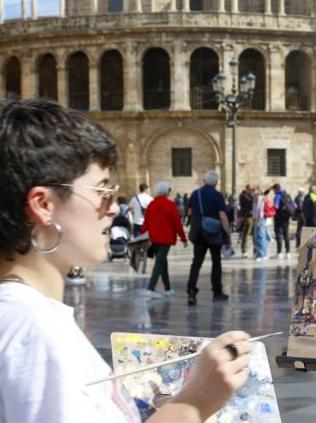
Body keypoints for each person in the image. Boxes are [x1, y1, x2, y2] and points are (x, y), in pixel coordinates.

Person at [0, 99, 251, 423]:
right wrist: (193, 403)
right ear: (43, 204)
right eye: (102, 191)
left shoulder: (20, 315)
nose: (113, 207)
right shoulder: (35, 330)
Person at [186, 171, 231, 305]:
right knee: (216, 262)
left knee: (197, 262)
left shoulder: (195, 194)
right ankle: (217, 292)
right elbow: (222, 215)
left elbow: (190, 212)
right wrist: (227, 233)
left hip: (199, 231)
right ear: (216, 182)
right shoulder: (217, 195)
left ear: (204, 181)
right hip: (213, 232)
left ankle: (191, 291)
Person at [140, 181, 188, 299]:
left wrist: (143, 235)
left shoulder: (151, 205)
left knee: (162, 262)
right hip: (165, 238)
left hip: (153, 238)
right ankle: (150, 288)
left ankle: (168, 289)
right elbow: (177, 223)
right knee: (160, 262)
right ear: (166, 191)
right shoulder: (170, 205)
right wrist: (183, 238)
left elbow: (145, 223)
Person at [272, 183, 293, 259]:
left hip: (278, 218)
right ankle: (288, 253)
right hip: (286, 218)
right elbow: (295, 205)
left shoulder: (277, 196)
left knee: (279, 235)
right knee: (286, 235)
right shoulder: (287, 195)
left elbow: (276, 206)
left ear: (275, 189)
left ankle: (279, 253)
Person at [252, 187, 271, 261]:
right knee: (257, 237)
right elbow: (254, 211)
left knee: (261, 237)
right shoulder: (255, 199)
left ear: (258, 191)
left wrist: (258, 221)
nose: (253, 192)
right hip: (257, 219)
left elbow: (260, 211)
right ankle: (260, 254)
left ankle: (263, 255)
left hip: (261, 219)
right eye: (252, 191)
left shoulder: (261, 198)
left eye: (254, 190)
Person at [238, 185, 254, 258]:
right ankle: (244, 250)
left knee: (254, 234)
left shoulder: (248, 195)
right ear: (247, 189)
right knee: (246, 234)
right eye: (250, 189)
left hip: (252, 216)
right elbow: (250, 202)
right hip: (248, 217)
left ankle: (255, 250)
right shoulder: (243, 196)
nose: (251, 191)